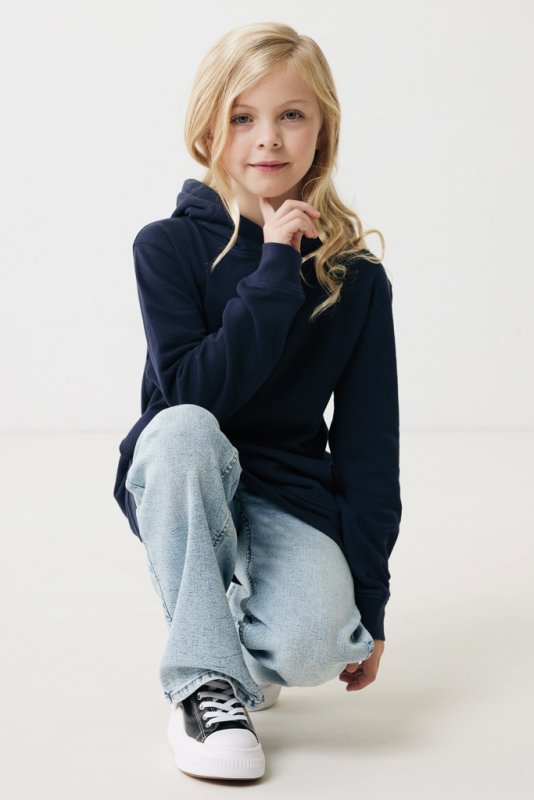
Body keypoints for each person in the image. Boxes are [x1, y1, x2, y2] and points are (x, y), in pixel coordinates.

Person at [113, 21, 402, 782]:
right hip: (183, 472)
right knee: (182, 428)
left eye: (291, 114)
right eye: (243, 116)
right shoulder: (166, 247)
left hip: (286, 492)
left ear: (322, 129)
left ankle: (230, 628)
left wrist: (370, 604)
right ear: (208, 129)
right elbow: (193, 394)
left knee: (316, 647)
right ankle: (203, 684)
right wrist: (274, 266)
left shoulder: (357, 279)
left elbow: (370, 444)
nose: (267, 138)